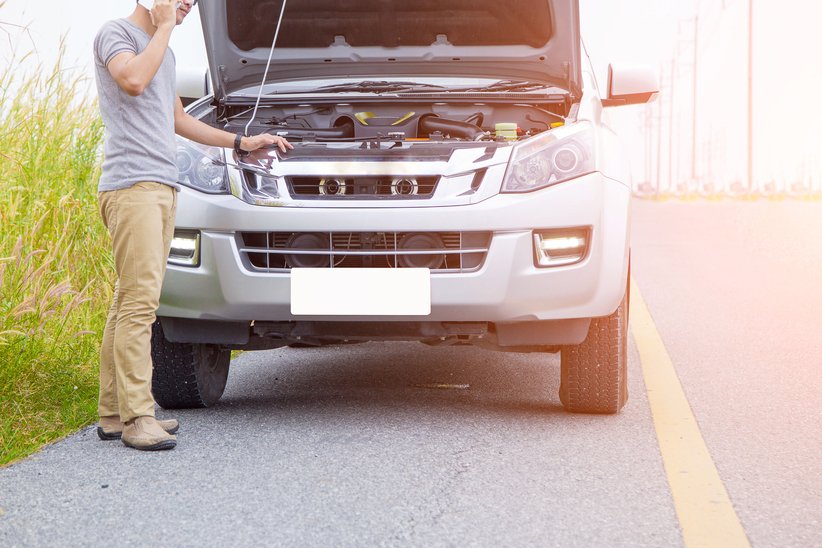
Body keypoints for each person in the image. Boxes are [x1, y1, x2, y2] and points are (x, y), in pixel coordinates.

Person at [93, 0, 292, 451]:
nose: (188, 5)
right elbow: (132, 79)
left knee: (128, 300)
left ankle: (112, 413)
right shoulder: (115, 34)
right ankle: (139, 418)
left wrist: (241, 142)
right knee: (142, 304)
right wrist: (163, 27)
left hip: (162, 187)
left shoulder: (165, 51)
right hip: (132, 187)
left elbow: (179, 120)